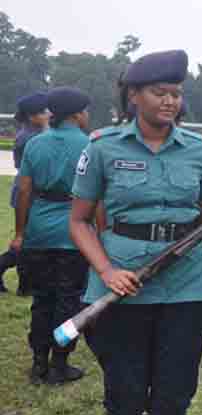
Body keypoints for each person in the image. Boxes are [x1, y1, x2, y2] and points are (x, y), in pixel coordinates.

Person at [70, 50, 202, 415]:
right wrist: (106, 271)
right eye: (159, 91)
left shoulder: (198, 149)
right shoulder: (103, 146)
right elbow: (80, 220)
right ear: (134, 95)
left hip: (189, 283)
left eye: (176, 93)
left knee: (174, 396)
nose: (170, 101)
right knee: (125, 394)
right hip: (123, 281)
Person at [12, 87, 91, 384]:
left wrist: (21, 231)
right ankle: (60, 363)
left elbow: (23, 191)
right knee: (69, 300)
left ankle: (38, 363)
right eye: (85, 110)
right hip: (75, 232)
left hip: (40, 231)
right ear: (77, 114)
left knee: (42, 299)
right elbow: (97, 197)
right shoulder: (89, 145)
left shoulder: (35, 144)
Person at [0, 92, 50, 295]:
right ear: (32, 116)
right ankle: (24, 284)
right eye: (45, 112)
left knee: (30, 242)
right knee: (28, 242)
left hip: (28, 193)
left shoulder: (28, 134)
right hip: (28, 194)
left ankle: (25, 285)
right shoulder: (32, 138)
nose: (49, 114)